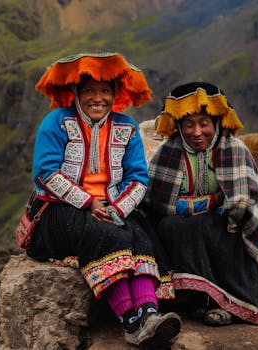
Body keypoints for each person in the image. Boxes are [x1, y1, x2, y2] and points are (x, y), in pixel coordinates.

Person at [28, 52, 181, 347]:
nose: (97, 98)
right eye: (89, 91)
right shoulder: (56, 123)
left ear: (115, 94)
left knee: (142, 239)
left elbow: (138, 178)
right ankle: (131, 323)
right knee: (108, 237)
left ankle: (150, 315)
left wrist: (118, 208)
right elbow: (45, 173)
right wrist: (88, 202)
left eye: (104, 91)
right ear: (75, 93)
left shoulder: (126, 128)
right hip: (61, 209)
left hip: (114, 206)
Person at [143, 82, 258, 326]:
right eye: (189, 124)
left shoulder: (234, 149)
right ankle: (193, 300)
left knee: (209, 227)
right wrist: (209, 202)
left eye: (204, 123)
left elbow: (241, 204)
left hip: (228, 226)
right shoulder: (168, 152)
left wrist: (199, 206)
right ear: (178, 126)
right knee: (169, 226)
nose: (197, 132)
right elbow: (156, 202)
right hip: (185, 226)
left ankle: (232, 304)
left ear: (216, 122)